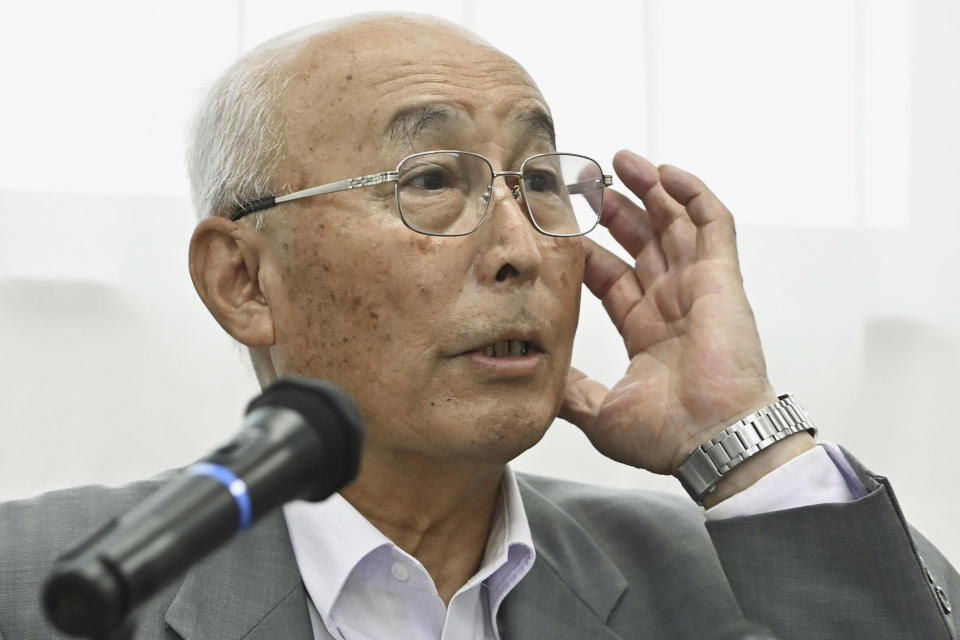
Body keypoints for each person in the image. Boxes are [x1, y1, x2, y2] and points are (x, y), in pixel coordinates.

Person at [1, 13, 956, 640]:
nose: (522, 249)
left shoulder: (721, 590)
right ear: (243, 279)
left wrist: (739, 438)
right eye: (428, 181)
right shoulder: (39, 585)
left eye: (539, 182)